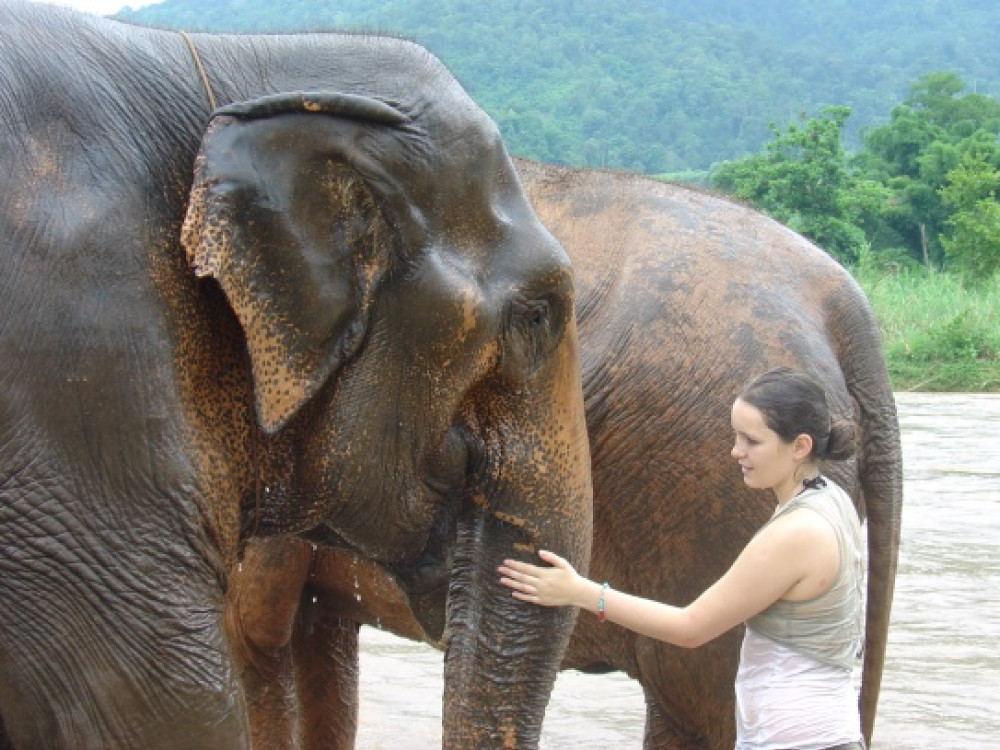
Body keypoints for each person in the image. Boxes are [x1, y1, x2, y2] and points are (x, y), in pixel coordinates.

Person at [498, 367, 866, 750]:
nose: (735, 452)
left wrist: (581, 592)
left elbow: (691, 627)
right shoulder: (829, 500)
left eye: (752, 441)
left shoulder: (795, 533)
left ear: (800, 446)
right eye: (736, 436)